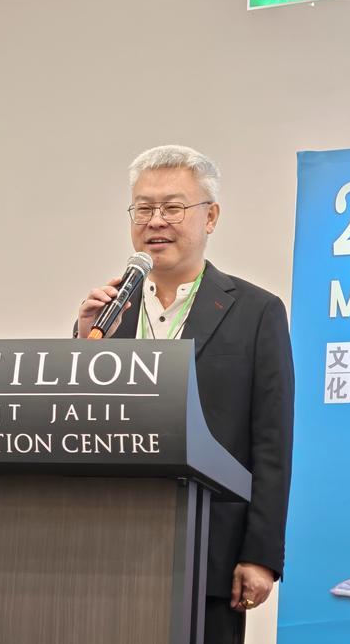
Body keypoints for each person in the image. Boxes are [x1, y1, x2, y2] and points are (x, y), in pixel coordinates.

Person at [76, 145, 295, 644]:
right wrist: (83, 345)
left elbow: (272, 440)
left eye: (173, 207)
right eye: (143, 209)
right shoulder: (106, 315)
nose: (156, 221)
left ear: (210, 217)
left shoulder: (256, 311)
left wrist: (260, 554)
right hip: (104, 545)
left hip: (211, 549)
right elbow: (79, 423)